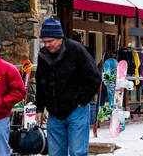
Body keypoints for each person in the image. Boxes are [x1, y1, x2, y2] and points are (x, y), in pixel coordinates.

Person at [35, 17, 101, 156]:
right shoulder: (43, 55)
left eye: (50, 41)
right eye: (44, 41)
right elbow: (41, 82)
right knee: (55, 153)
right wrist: (40, 108)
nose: (47, 45)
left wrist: (81, 101)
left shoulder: (76, 50)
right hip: (54, 112)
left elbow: (94, 77)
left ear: (60, 38)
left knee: (77, 152)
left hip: (76, 111)